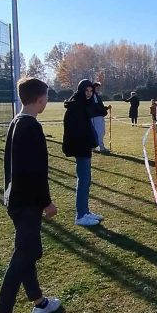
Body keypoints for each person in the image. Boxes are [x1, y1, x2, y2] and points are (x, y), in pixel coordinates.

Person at [0, 78, 61, 313]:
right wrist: (46, 202)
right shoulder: (31, 127)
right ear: (40, 99)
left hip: (16, 200)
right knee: (24, 254)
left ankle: (40, 303)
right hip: (27, 202)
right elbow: (35, 172)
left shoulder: (16, 122)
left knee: (29, 250)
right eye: (46, 98)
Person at [62, 79, 101, 226]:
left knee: (86, 180)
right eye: (86, 91)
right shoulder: (76, 106)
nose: (89, 94)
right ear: (81, 90)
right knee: (83, 180)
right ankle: (80, 215)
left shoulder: (84, 104)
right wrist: (88, 143)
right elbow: (76, 130)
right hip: (80, 147)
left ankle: (85, 211)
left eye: (91, 91)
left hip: (84, 147)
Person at [90, 82, 111, 153]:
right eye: (97, 87)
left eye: (99, 87)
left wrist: (105, 108)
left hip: (97, 116)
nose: (98, 88)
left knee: (99, 132)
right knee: (99, 132)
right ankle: (100, 147)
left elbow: (98, 106)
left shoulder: (95, 95)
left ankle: (95, 147)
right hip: (96, 117)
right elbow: (96, 107)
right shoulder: (94, 95)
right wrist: (104, 110)